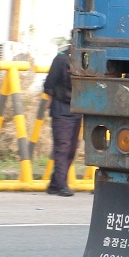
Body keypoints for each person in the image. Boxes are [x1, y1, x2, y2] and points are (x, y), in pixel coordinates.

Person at [43, 47, 82, 197]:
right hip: (61, 109)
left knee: (71, 149)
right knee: (62, 148)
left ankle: (54, 184)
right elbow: (49, 84)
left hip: (76, 109)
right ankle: (61, 185)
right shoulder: (61, 59)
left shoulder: (84, 59)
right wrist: (50, 101)